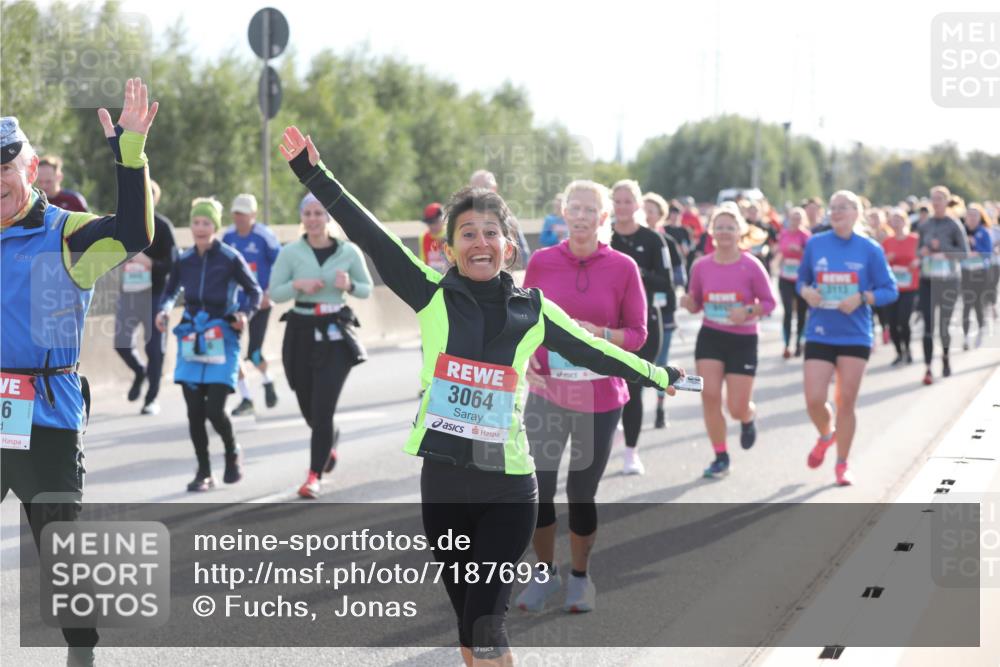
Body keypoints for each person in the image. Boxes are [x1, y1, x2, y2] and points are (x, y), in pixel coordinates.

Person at [279, 126, 682, 667]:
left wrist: (657, 375)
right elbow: (371, 235)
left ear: (508, 248)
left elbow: (596, 352)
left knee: (488, 628)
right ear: (449, 249)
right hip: (443, 486)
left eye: (491, 232)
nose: (480, 242)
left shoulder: (533, 311)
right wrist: (313, 174)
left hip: (508, 489)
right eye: (467, 233)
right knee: (470, 632)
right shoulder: (430, 296)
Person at [1, 78, 157, 667]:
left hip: (46, 415)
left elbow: (134, 234)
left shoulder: (66, 235)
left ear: (31, 168)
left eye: (5, 168)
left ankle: (82, 655)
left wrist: (130, 154)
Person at [516, 179, 649, 614]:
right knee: (538, 485)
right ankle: (544, 574)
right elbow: (525, 319)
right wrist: (528, 358)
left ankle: (579, 577)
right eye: (574, 207)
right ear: (564, 212)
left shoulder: (623, 267)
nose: (581, 216)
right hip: (548, 392)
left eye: (590, 209)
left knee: (580, 490)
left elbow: (638, 334)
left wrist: (601, 335)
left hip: (599, 397)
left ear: (603, 217)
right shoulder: (542, 261)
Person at [269, 193, 373, 498]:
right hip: (300, 331)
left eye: (319, 213)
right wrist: (297, 285)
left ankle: (313, 476)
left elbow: (366, 289)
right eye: (308, 213)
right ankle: (330, 440)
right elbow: (275, 293)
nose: (313, 219)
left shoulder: (348, 251)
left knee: (323, 409)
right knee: (310, 411)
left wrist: (349, 285)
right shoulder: (291, 253)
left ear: (328, 218)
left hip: (335, 334)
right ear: (302, 218)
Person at [156, 197, 262, 492]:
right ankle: (204, 471)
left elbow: (254, 291)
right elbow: (170, 291)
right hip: (192, 336)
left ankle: (232, 450)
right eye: (196, 223)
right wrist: (163, 310)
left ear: (215, 227)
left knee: (214, 410)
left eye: (206, 223)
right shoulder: (184, 259)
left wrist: (244, 314)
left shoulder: (229, 258)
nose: (200, 228)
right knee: (194, 411)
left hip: (222, 336)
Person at [798, 190, 898, 486]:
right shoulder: (816, 243)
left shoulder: (870, 249)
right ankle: (826, 435)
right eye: (833, 207)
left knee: (846, 402)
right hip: (820, 331)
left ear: (857, 213)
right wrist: (807, 292)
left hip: (855, 334)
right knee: (814, 399)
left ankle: (842, 463)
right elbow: (801, 280)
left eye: (843, 207)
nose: (837, 212)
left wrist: (863, 298)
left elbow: (889, 290)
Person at [681, 203, 777, 478]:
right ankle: (720, 455)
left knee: (736, 407)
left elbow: (769, 303)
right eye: (719, 227)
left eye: (730, 227)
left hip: (743, 340)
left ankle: (748, 417)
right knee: (709, 395)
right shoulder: (701, 266)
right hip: (711, 336)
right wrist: (689, 303)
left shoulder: (751, 265)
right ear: (711, 231)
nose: (724, 232)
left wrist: (747, 311)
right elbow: (696, 303)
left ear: (739, 232)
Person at [610, 180, 674, 475]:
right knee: (606, 385)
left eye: (628, 201)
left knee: (634, 388)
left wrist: (635, 271)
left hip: (644, 323)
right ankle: (613, 429)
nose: (622, 207)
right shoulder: (604, 237)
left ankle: (631, 453)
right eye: (617, 201)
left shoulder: (653, 240)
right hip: (607, 325)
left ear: (638, 204)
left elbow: (666, 282)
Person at [114, 178, 178, 414]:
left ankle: (151, 398)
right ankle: (139, 372)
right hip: (130, 294)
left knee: (154, 349)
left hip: (156, 294)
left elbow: (173, 264)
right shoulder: (123, 224)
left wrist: (149, 262)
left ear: (154, 199)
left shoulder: (163, 227)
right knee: (121, 343)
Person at [222, 193, 281, 415]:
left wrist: (269, 293)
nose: (239, 217)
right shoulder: (228, 237)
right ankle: (246, 397)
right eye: (236, 213)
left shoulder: (264, 236)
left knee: (254, 353)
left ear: (253, 215)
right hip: (235, 304)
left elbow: (282, 264)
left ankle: (267, 380)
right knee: (232, 350)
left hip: (260, 303)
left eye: (243, 214)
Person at [916, 185, 969, 385]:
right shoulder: (925, 225)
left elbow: (964, 253)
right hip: (928, 279)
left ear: (947, 201)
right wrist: (923, 251)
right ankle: (928, 368)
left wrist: (943, 249)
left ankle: (945, 357)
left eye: (939, 198)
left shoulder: (954, 224)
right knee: (928, 325)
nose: (936, 202)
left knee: (944, 325)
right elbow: (918, 250)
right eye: (933, 198)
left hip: (948, 281)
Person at [643, 192, 683, 428]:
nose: (646, 214)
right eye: (643, 209)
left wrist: (652, 277)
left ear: (660, 215)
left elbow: (679, 276)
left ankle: (659, 409)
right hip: (635, 313)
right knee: (633, 362)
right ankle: (632, 410)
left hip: (663, 310)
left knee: (661, 360)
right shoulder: (624, 241)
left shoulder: (667, 242)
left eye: (651, 210)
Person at [882, 208, 920, 366]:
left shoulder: (915, 240)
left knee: (903, 321)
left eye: (899, 219)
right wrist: (887, 259)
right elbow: (879, 264)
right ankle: (899, 352)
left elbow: (923, 256)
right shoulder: (887, 242)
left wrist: (917, 261)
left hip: (910, 286)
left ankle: (908, 349)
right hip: (892, 287)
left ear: (905, 221)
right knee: (892, 324)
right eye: (894, 220)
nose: (896, 223)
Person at [471, 168, 531, 264]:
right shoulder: (463, 218)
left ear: (494, 189)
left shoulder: (508, 219)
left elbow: (523, 255)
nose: (480, 192)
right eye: (476, 189)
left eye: (485, 187)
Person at [776, 207, 811, 358]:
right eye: (793, 218)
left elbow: (810, 256)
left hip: (801, 280)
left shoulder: (806, 235)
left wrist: (799, 251)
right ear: (789, 219)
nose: (795, 221)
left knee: (802, 313)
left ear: (802, 220)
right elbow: (780, 251)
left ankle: (798, 344)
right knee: (788, 312)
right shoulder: (784, 234)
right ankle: (786, 345)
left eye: (798, 218)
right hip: (785, 277)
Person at [960, 203, 994, 349]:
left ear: (980, 218)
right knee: (966, 304)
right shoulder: (961, 231)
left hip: (980, 272)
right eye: (969, 215)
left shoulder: (984, 232)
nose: (972, 218)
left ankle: (980, 330)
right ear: (966, 217)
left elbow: (989, 253)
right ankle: (966, 337)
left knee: (978, 303)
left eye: (975, 215)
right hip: (965, 272)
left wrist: (977, 248)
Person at [419, 201, 449, 274]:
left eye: (435, 222)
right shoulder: (424, 237)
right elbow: (423, 260)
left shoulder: (450, 235)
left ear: (442, 219)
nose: (432, 226)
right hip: (431, 276)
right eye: (429, 223)